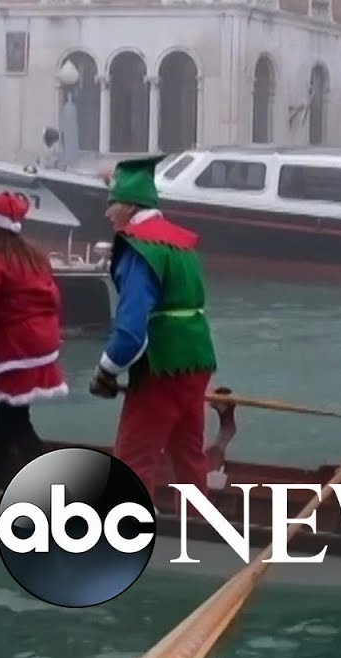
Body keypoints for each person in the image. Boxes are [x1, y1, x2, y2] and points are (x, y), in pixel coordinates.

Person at [88, 155, 218, 499]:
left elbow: (131, 332)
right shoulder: (180, 242)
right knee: (189, 456)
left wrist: (105, 371)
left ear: (130, 205)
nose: (107, 213)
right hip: (197, 360)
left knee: (133, 459)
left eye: (112, 203)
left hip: (162, 365)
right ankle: (196, 523)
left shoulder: (138, 247)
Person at [0, 191, 69, 489]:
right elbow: (52, 303)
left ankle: (55, 483)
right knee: (9, 416)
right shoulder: (33, 258)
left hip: (18, 350)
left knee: (16, 422)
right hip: (41, 347)